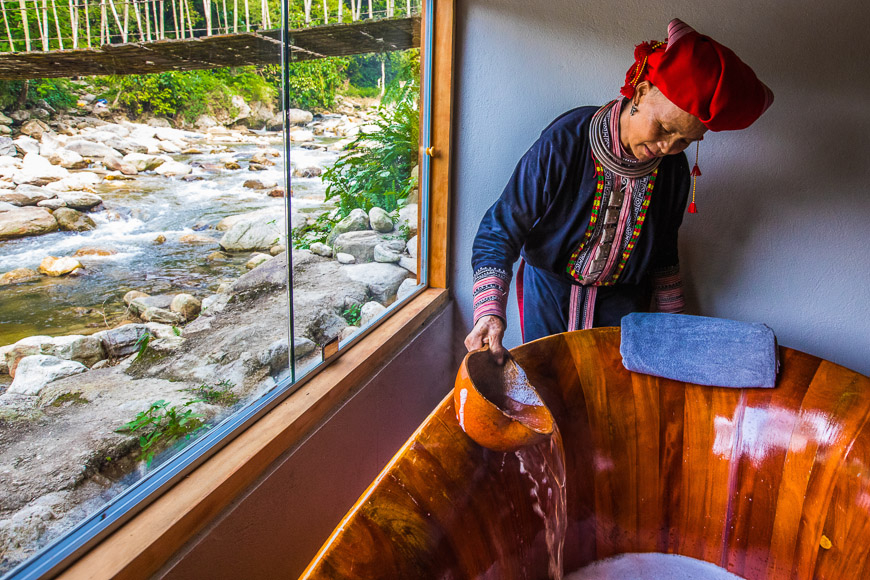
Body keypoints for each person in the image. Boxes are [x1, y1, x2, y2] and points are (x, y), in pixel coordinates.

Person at [465, 19, 774, 363]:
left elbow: (664, 248)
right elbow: (502, 226)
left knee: (613, 398)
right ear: (641, 92)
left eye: (685, 140)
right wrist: (490, 311)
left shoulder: (673, 169)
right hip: (549, 295)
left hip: (624, 307)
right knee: (548, 386)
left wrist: (673, 321)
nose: (668, 147)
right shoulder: (567, 139)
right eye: (664, 127)